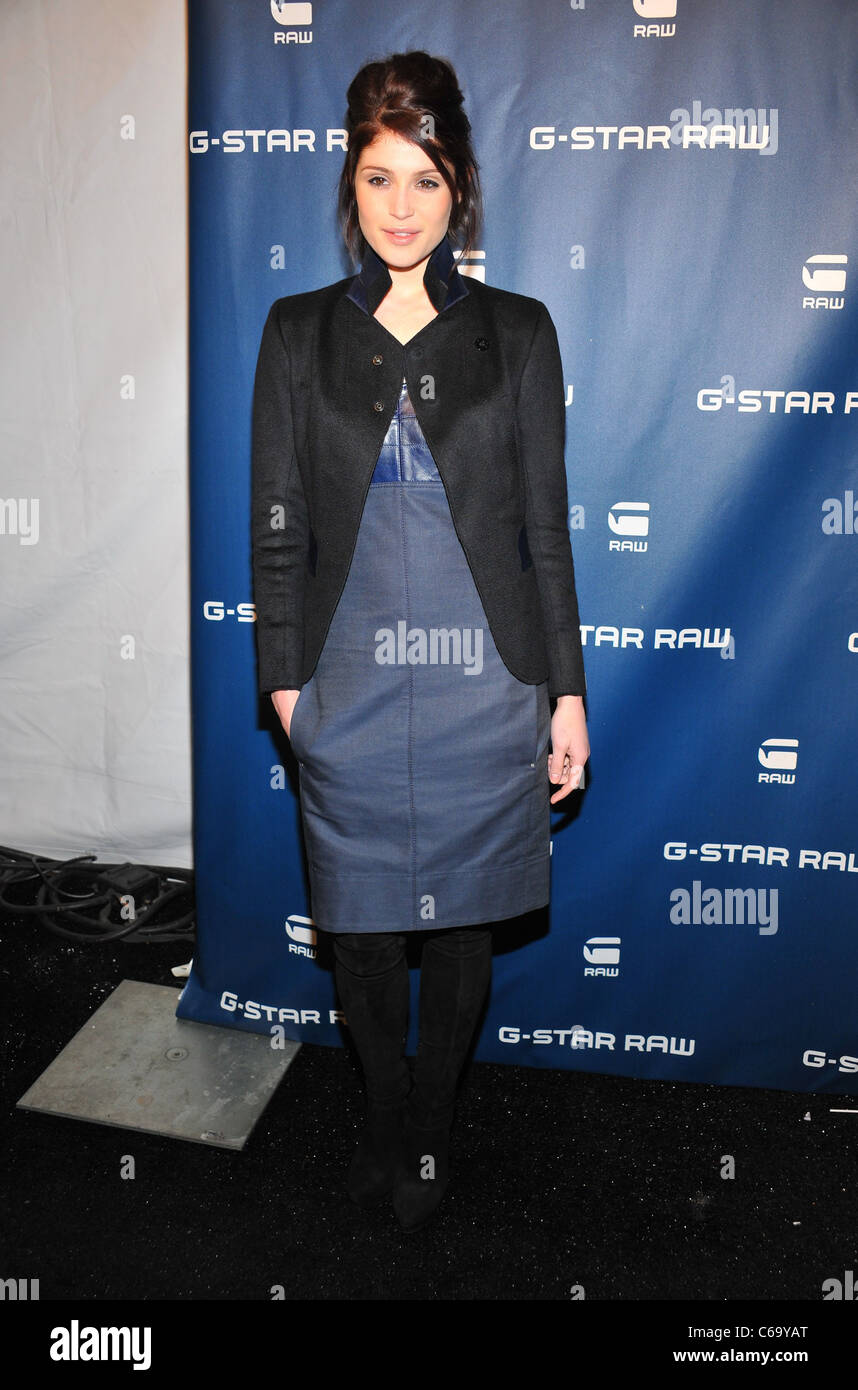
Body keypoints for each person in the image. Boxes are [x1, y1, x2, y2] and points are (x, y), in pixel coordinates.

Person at [251, 50, 589, 1233]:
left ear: (461, 193)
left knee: (459, 931)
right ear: (351, 183)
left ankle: (430, 1130)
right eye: (380, 178)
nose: (402, 207)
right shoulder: (297, 334)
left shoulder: (519, 331)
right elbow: (277, 530)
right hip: (342, 681)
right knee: (361, 936)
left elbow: (544, 525)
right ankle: (385, 1116)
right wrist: (285, 690)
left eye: (427, 181)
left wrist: (566, 695)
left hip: (487, 678)